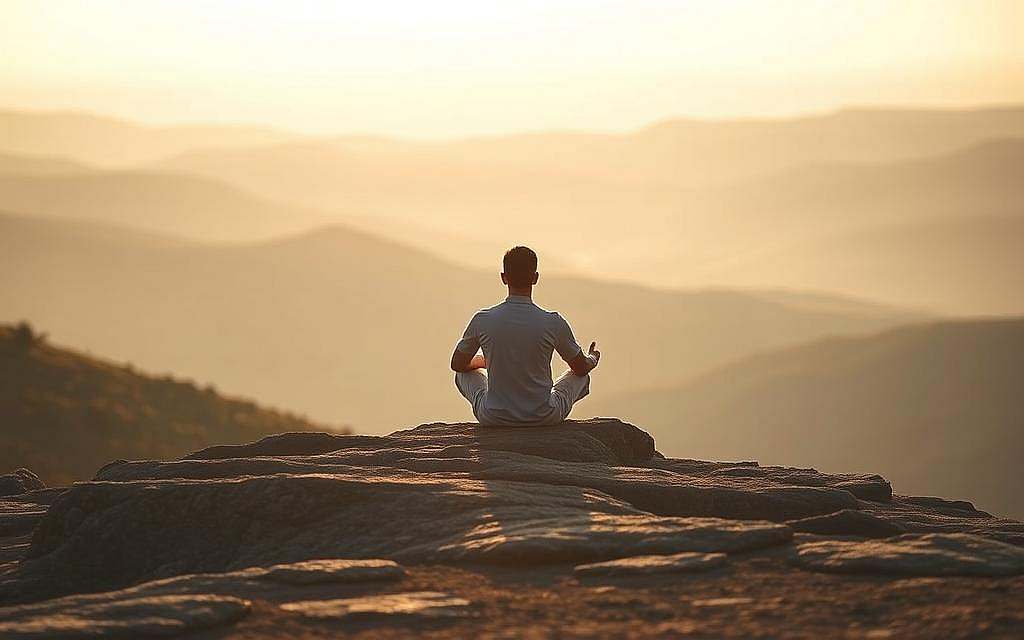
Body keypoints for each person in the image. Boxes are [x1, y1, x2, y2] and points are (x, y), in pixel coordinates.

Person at [451, 246, 600, 426]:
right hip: (544, 417)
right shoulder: (552, 322)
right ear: (535, 278)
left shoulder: (483, 320)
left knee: (463, 374)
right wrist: (592, 358)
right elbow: (581, 368)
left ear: (504, 278)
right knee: (582, 377)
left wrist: (486, 361)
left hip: (494, 417)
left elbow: (457, 364)